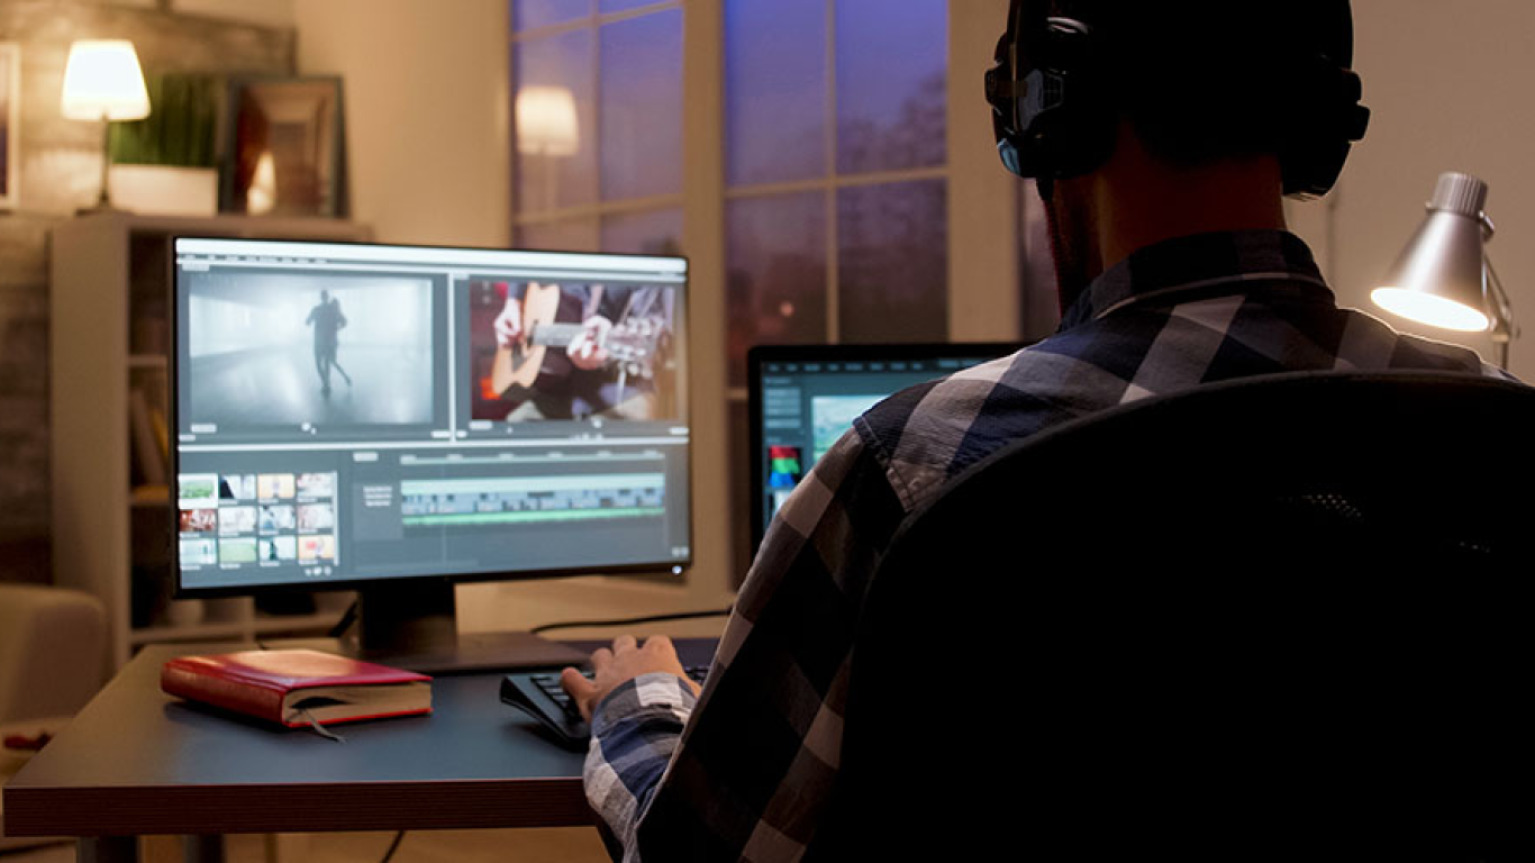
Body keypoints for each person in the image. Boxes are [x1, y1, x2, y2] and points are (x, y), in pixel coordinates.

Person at [558, 2, 1514, 859]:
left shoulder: (913, 463)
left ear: (1044, 113)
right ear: (1316, 129)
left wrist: (636, 708)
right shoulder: (1493, 442)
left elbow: (703, 856)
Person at [489, 281, 673, 421]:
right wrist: (514, 302)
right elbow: (523, 264)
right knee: (515, 427)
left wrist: (604, 348)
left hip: (614, 384)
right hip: (559, 388)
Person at [305, 290, 351, 397]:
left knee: (319, 363)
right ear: (327, 297)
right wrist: (336, 329)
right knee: (329, 362)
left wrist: (312, 320)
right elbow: (344, 322)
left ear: (321, 297)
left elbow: (307, 322)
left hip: (319, 341)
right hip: (331, 340)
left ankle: (326, 384)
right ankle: (329, 383)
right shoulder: (333, 310)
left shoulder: (316, 309)